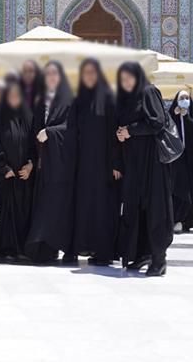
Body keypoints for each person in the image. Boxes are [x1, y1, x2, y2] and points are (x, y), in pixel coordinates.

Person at [116, 62, 173, 276]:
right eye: (122, 79)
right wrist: (122, 132)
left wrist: (130, 130)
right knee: (136, 207)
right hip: (134, 164)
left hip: (152, 163)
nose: (126, 82)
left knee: (155, 207)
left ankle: (159, 259)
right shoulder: (127, 99)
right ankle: (141, 254)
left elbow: (157, 122)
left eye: (129, 78)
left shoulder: (148, 91)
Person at [25, 61, 77, 263]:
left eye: (54, 74)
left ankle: (65, 248)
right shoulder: (40, 103)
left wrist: (51, 132)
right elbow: (33, 133)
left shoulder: (69, 100)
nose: (51, 78)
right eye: (47, 74)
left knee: (60, 208)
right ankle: (45, 249)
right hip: (43, 166)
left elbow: (73, 129)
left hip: (62, 167)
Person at [72, 59, 121, 265]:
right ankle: (88, 247)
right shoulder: (79, 100)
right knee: (87, 206)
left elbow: (117, 131)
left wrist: (117, 162)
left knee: (104, 207)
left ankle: (104, 252)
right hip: (84, 165)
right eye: (86, 73)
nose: (89, 76)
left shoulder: (109, 98)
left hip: (105, 166)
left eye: (93, 72)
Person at [0, 83, 34, 258]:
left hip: (23, 177)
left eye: (17, 96)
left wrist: (30, 166)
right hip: (6, 178)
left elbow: (34, 146)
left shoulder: (29, 118)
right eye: (11, 96)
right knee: (5, 214)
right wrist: (4, 168)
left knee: (23, 213)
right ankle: (4, 248)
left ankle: (20, 248)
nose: (14, 99)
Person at [169, 90, 193, 233]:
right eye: (181, 98)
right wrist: (174, 115)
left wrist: (187, 119)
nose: (184, 101)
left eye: (186, 98)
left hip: (190, 157)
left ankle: (186, 220)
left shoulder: (190, 115)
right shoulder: (171, 114)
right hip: (176, 158)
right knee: (179, 188)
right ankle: (178, 218)